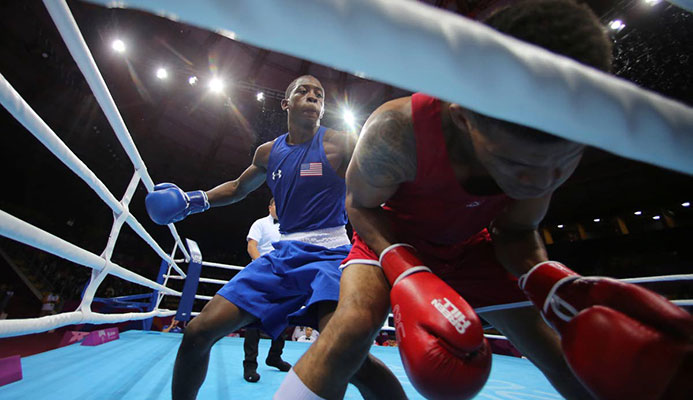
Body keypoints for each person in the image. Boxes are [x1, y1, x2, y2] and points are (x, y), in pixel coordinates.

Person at [277, 1, 693, 400]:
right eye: (514, 164)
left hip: (474, 248)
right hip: (390, 234)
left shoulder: (545, 143)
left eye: (562, 165)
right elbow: (359, 205)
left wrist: (550, 279)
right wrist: (405, 268)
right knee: (348, 332)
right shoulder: (395, 132)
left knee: (563, 353)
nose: (538, 182)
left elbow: (515, 228)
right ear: (463, 118)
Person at [145, 75, 405, 399]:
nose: (313, 97)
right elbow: (239, 188)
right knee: (198, 331)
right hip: (283, 256)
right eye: (303, 91)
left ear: (323, 108)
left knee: (348, 355)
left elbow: (384, 179)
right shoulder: (269, 153)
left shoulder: (340, 143)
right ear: (286, 103)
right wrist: (192, 201)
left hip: (331, 255)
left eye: (319, 94)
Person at [242, 197, 291, 383]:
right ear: (270, 206)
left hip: (283, 276)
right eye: (276, 204)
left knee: (283, 317)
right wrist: (262, 265)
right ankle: (250, 364)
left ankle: (274, 357)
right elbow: (251, 245)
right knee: (253, 320)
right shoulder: (260, 223)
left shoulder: (290, 225)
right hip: (261, 273)